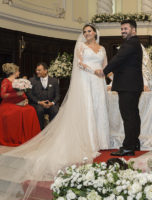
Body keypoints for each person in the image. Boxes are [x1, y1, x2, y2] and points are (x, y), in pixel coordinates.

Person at [0, 23, 110, 199]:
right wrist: (93, 71)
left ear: (95, 32)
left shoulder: (103, 48)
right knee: (89, 110)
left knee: (100, 110)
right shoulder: (81, 46)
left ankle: (102, 139)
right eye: (85, 32)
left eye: (90, 31)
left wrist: (106, 75)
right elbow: (80, 64)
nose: (87, 33)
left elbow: (106, 65)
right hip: (87, 80)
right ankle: (89, 140)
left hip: (98, 82)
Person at [101, 19, 144, 156]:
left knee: (129, 116)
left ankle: (128, 147)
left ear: (133, 30)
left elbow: (118, 59)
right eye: (122, 29)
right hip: (132, 85)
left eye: (126, 28)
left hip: (128, 85)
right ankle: (134, 142)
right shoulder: (134, 43)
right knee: (133, 115)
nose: (123, 31)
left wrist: (104, 71)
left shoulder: (131, 43)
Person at [0, 63, 40, 146]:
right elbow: (3, 95)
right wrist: (16, 95)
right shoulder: (6, 81)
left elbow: (23, 93)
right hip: (8, 104)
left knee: (31, 109)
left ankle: (30, 136)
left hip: (19, 103)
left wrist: (25, 99)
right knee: (18, 112)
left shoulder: (18, 81)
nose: (19, 72)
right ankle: (17, 137)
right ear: (14, 72)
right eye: (18, 71)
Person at [27, 62, 60, 129]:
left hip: (50, 104)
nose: (37, 72)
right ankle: (40, 130)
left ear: (45, 71)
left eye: (39, 70)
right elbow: (29, 94)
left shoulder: (54, 81)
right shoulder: (32, 80)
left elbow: (58, 95)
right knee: (39, 110)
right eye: (36, 70)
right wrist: (39, 102)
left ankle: (52, 130)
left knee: (55, 110)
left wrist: (52, 103)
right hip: (38, 104)